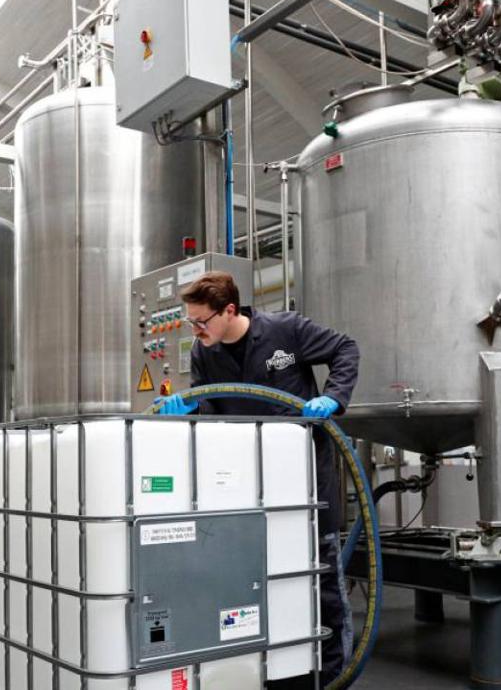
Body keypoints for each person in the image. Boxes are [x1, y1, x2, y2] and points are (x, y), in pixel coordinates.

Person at [156, 271, 360, 687]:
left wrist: (333, 396)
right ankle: (276, 673)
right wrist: (185, 412)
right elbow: (209, 408)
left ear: (229, 311)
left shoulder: (286, 330)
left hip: (304, 485)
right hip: (244, 488)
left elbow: (345, 348)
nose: (195, 331)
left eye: (201, 322)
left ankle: (335, 676)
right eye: (190, 323)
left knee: (321, 587)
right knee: (255, 586)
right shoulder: (204, 354)